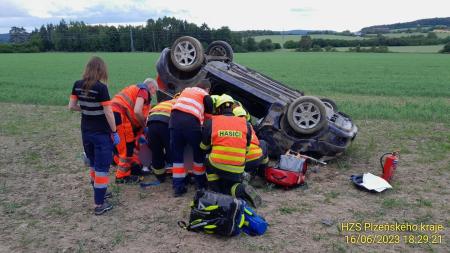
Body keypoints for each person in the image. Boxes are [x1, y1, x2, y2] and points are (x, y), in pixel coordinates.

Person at [68, 56, 119, 215]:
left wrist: (86, 109)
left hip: (86, 132)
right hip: (101, 134)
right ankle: (99, 204)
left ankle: (100, 192)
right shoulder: (101, 88)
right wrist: (115, 131)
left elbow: (71, 106)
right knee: (102, 168)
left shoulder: (77, 85)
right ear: (100, 70)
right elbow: (108, 112)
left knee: (93, 164)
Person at [200, 94, 262, 208]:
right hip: (238, 166)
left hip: (218, 165)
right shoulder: (245, 123)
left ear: (218, 109)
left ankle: (216, 191)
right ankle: (240, 189)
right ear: (233, 107)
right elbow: (246, 149)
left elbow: (203, 147)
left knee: (208, 159)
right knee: (231, 185)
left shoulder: (213, 121)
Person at [169, 80, 213, 197]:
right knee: (198, 154)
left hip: (174, 121)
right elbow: (210, 113)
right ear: (207, 89)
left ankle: (178, 188)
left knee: (178, 155)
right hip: (191, 123)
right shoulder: (205, 95)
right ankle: (200, 185)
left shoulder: (186, 90)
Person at [112, 79, 158, 184]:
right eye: (155, 91)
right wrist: (144, 125)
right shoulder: (143, 90)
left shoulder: (136, 90)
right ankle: (121, 177)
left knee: (127, 145)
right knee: (126, 148)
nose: (154, 94)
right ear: (151, 87)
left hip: (118, 115)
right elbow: (137, 111)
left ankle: (122, 165)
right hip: (119, 115)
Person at [145, 96, 178, 182]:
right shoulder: (182, 103)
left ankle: (160, 176)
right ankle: (177, 176)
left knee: (156, 151)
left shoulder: (166, 102)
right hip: (166, 123)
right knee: (172, 149)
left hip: (151, 122)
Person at [233, 106, 269, 178]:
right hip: (255, 160)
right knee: (263, 143)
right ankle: (261, 175)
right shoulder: (249, 126)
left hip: (236, 163)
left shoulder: (229, 126)